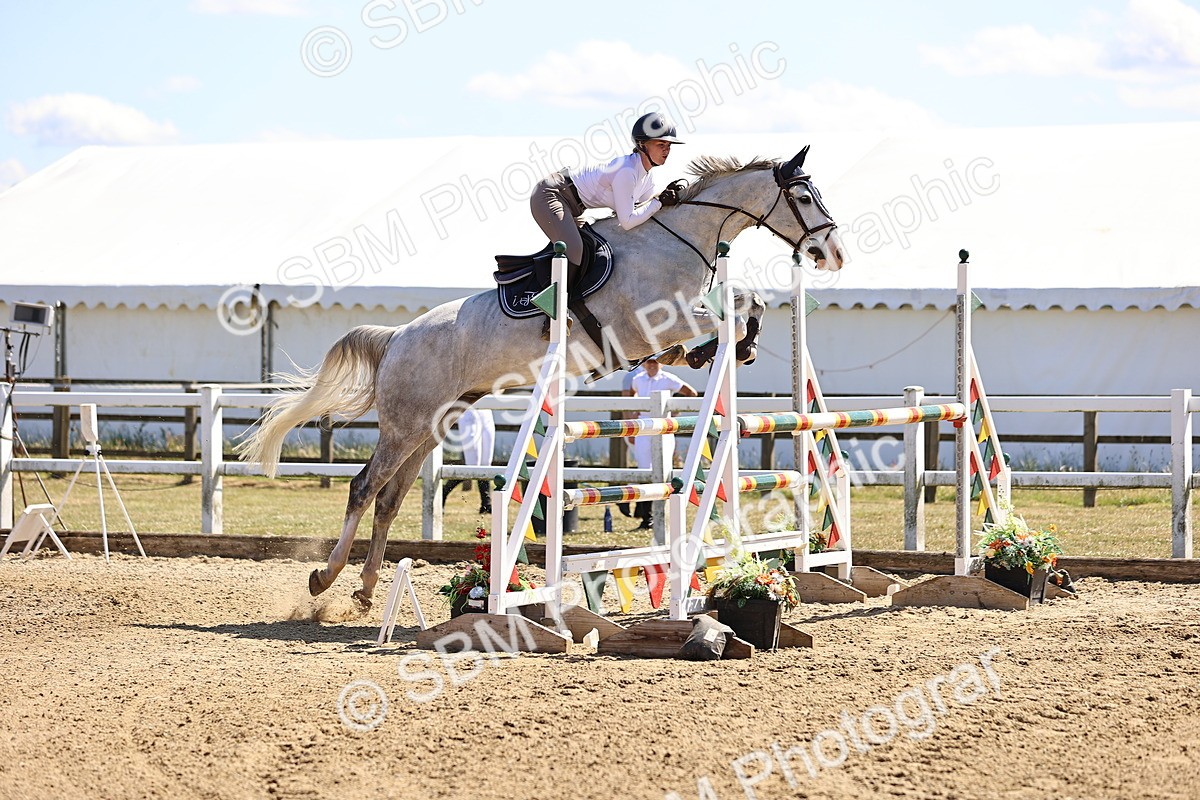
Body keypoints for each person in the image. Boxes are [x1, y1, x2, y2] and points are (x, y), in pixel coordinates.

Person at [529, 112, 688, 337]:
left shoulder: (647, 177)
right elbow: (628, 221)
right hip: (551, 195)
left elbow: (647, 210)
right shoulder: (627, 172)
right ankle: (552, 311)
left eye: (669, 145)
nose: (667, 149)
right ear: (642, 145)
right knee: (574, 249)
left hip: (571, 204)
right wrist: (659, 202)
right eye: (661, 144)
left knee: (588, 247)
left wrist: (665, 200)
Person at [626, 357, 697, 529]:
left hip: (663, 426)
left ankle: (661, 514)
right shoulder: (638, 379)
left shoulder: (668, 378)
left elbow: (691, 393)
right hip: (643, 426)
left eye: (655, 362)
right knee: (644, 469)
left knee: (662, 469)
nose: (651, 365)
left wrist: (675, 412)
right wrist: (634, 413)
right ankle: (646, 516)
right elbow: (631, 394)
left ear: (661, 363)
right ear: (644, 364)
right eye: (649, 362)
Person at [441, 406, 496, 515]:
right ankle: (443, 492)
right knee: (472, 464)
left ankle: (486, 503)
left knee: (486, 463)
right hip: (469, 412)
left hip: (486, 412)